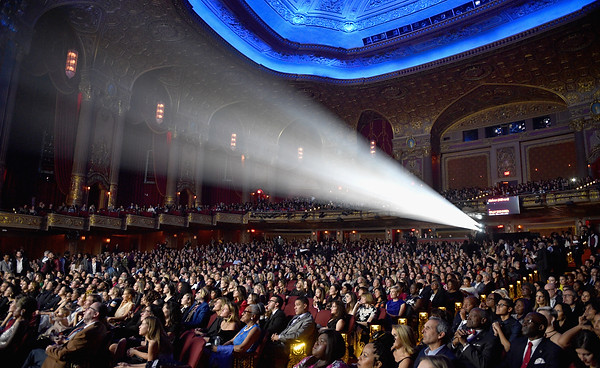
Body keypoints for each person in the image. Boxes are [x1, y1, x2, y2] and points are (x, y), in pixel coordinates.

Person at [41, 302, 109, 368]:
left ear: (96, 314)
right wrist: (65, 341)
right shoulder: (100, 327)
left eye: (89, 308)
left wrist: (50, 349)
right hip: (66, 353)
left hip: (62, 363)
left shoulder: (88, 332)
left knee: (34, 352)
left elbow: (64, 354)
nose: (85, 310)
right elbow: (77, 346)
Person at [261, 296, 316, 367]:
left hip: (291, 347)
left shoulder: (308, 321)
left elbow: (298, 336)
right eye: (295, 305)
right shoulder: (296, 317)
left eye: (297, 305)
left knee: (265, 349)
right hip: (282, 343)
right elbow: (286, 330)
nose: (294, 307)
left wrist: (279, 337)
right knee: (262, 344)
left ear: (305, 306)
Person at [0, 296, 38, 367]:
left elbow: (8, 345)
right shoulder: (24, 322)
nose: (14, 310)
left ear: (23, 311)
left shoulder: (21, 323)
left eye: (17, 308)